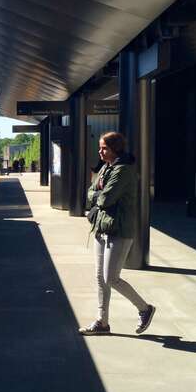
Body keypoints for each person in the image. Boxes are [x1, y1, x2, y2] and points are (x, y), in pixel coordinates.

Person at [80, 132, 156, 336]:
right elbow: (90, 191)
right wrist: (97, 195)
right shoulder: (107, 167)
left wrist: (96, 195)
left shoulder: (123, 171)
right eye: (100, 147)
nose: (100, 151)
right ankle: (102, 322)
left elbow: (106, 200)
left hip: (119, 230)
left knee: (111, 277)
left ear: (115, 148)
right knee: (100, 277)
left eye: (104, 148)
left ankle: (144, 308)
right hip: (102, 228)